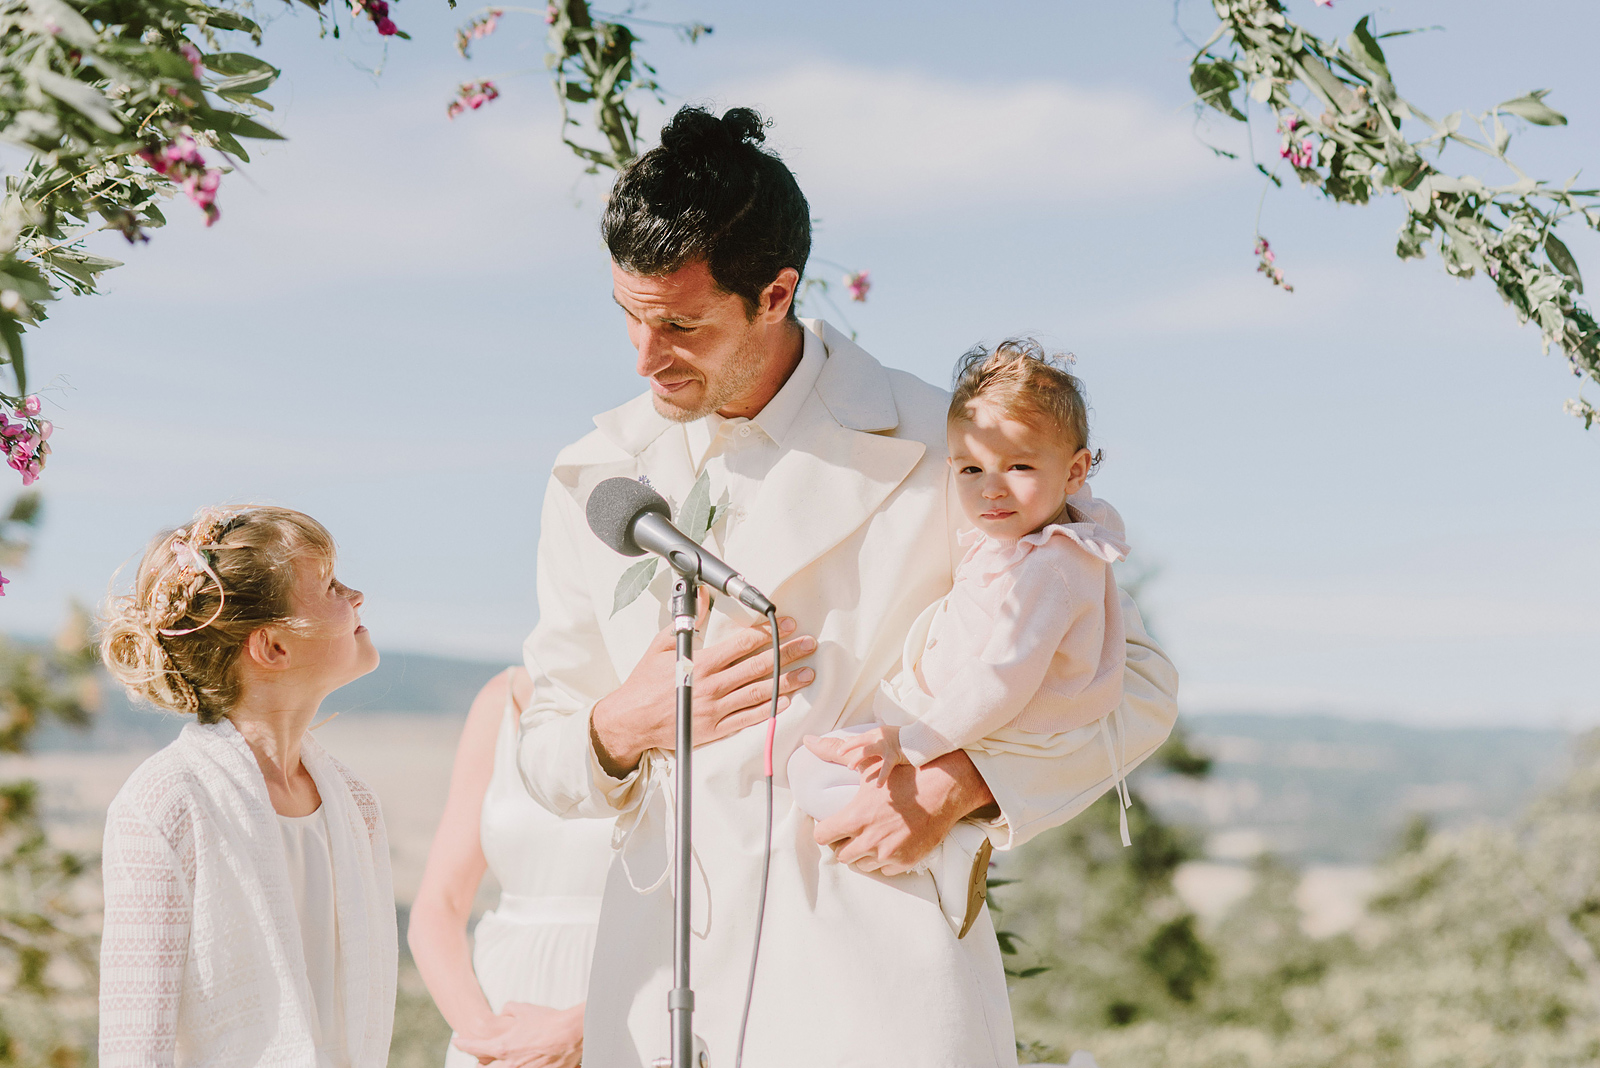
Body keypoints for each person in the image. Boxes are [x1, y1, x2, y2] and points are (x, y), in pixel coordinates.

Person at [515, 105, 1180, 1067]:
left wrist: (957, 787)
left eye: (680, 325)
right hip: (661, 985)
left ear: (777, 292)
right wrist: (618, 727)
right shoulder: (594, 471)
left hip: (874, 971)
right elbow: (544, 741)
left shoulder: (943, 443)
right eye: (628, 314)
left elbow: (1139, 682)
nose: (644, 355)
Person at [787, 339, 1136, 933]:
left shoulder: (1051, 567)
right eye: (971, 469)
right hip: (972, 716)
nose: (991, 489)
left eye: (1020, 467)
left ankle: (943, 857)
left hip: (1016, 721)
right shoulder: (1023, 538)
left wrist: (912, 744)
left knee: (812, 770)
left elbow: (1002, 682)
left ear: (1075, 471)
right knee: (819, 764)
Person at [97, 506, 397, 1068]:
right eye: (331, 586)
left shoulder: (356, 805)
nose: (358, 595)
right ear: (273, 647)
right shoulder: (166, 804)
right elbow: (135, 1042)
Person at [408, 667, 612, 1068]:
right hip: (496, 1028)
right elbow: (438, 906)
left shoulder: (680, 693)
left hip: (632, 1018)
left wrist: (583, 1029)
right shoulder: (502, 700)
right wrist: (492, 1042)